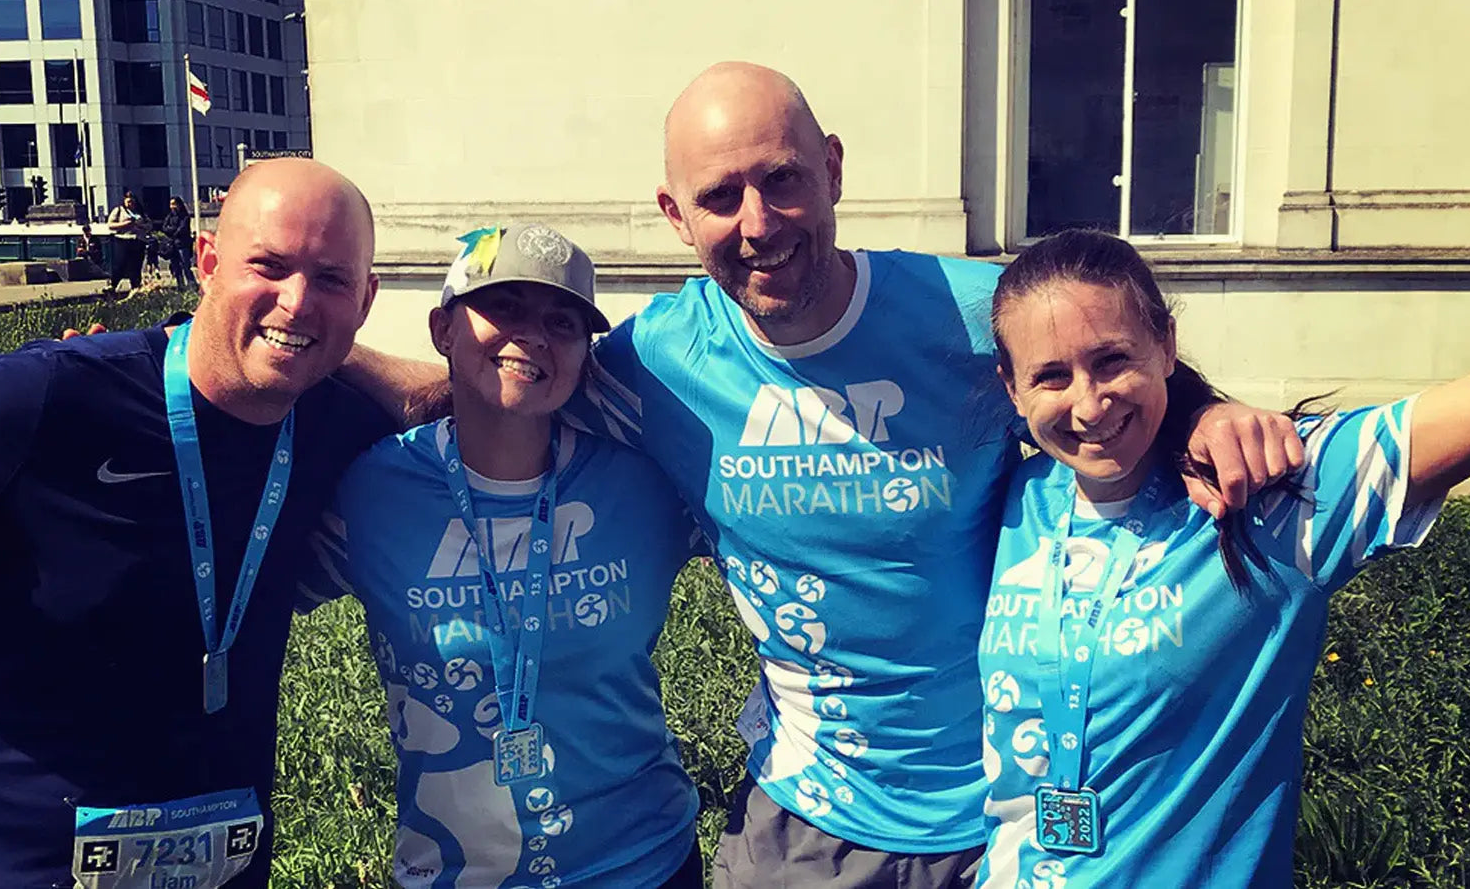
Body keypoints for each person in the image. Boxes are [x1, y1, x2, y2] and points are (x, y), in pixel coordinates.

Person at [558, 62, 1305, 888]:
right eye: (719, 197)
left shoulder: (972, 311)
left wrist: (1199, 411)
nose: (758, 223)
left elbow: (1105, 363)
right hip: (805, 826)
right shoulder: (659, 359)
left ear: (834, 168)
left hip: (1005, 819)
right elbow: (506, 388)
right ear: (674, 214)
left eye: (782, 179)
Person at [976, 229, 1470, 887]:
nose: (1088, 403)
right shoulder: (1013, 498)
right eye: (1052, 375)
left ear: (1165, 344)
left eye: (1111, 360)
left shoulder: (1272, 495)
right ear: (1012, 386)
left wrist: (1206, 411)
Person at [0, 158, 390, 889]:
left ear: (367, 299)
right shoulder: (45, 400)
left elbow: (468, 393)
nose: (296, 301)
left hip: (223, 863)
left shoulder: (342, 426)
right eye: (268, 265)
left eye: (331, 279)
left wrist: (338, 349)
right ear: (206, 261)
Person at [303, 223, 706, 888]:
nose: (534, 335)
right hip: (454, 873)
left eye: (563, 321)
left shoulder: (645, 484)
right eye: (504, 308)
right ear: (443, 330)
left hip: (645, 862)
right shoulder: (373, 489)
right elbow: (251, 599)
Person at [106, 190, 150, 294]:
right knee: (120, 263)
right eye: (128, 201)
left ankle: (135, 286)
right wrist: (125, 224)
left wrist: (139, 225)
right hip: (122, 240)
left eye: (132, 201)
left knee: (136, 265)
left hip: (138, 240)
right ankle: (113, 285)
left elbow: (149, 225)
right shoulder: (119, 210)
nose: (130, 204)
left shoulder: (140, 212)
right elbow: (110, 225)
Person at [163, 197, 197, 289]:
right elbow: (164, 228)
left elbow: (182, 229)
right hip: (172, 245)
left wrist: (173, 231)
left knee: (186, 266)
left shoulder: (185, 216)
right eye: (171, 204)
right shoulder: (169, 216)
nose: (173, 207)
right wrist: (172, 230)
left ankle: (192, 285)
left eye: (174, 204)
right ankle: (180, 286)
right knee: (176, 267)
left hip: (183, 245)